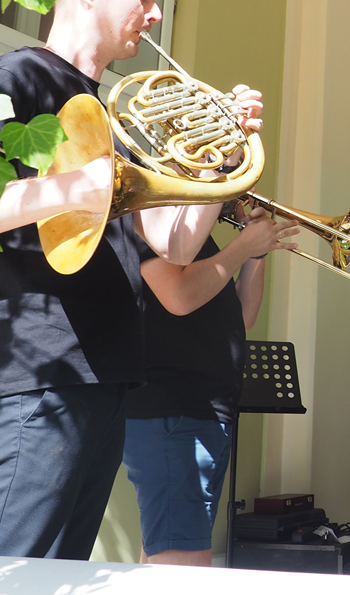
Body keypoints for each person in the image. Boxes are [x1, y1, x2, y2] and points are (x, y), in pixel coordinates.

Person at [0, 0, 261, 560]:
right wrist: (82, 187)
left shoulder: (112, 118)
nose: (155, 13)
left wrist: (221, 161)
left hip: (107, 376)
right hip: (39, 370)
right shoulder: (20, 76)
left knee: (56, 575)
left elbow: (174, 246)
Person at [121, 205, 299, 565]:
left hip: (202, 411)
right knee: (182, 561)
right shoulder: (149, 218)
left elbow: (243, 317)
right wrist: (242, 247)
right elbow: (179, 295)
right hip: (171, 410)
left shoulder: (194, 241)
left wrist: (256, 253)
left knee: (167, 551)